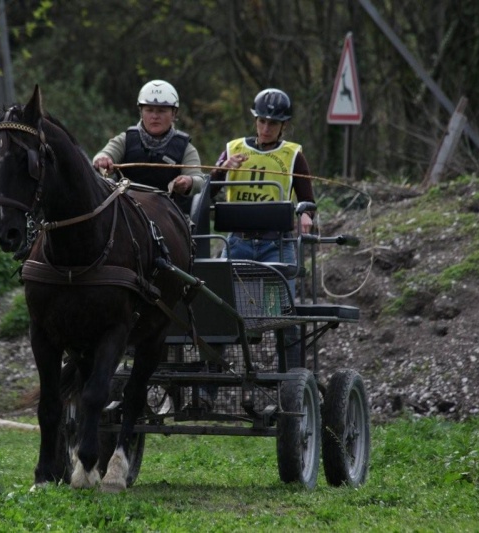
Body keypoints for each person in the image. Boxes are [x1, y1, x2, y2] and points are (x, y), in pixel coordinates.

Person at [209, 88, 315, 370]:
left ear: (283, 126)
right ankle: (210, 385)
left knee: (282, 316)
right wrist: (221, 169)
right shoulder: (233, 149)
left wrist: (305, 214)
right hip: (237, 243)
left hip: (276, 246)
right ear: (255, 121)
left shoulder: (293, 156)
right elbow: (208, 191)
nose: (266, 128)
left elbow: (308, 200)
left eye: (273, 123)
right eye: (262, 121)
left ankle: (290, 379)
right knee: (219, 310)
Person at [92, 80, 205, 214]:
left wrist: (189, 182)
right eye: (149, 110)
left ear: (174, 114)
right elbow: (104, 154)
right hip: (125, 212)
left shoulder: (186, 148)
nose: (155, 116)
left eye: (161, 111)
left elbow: (199, 181)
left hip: (169, 216)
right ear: (141, 112)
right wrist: (102, 159)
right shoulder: (125, 139)